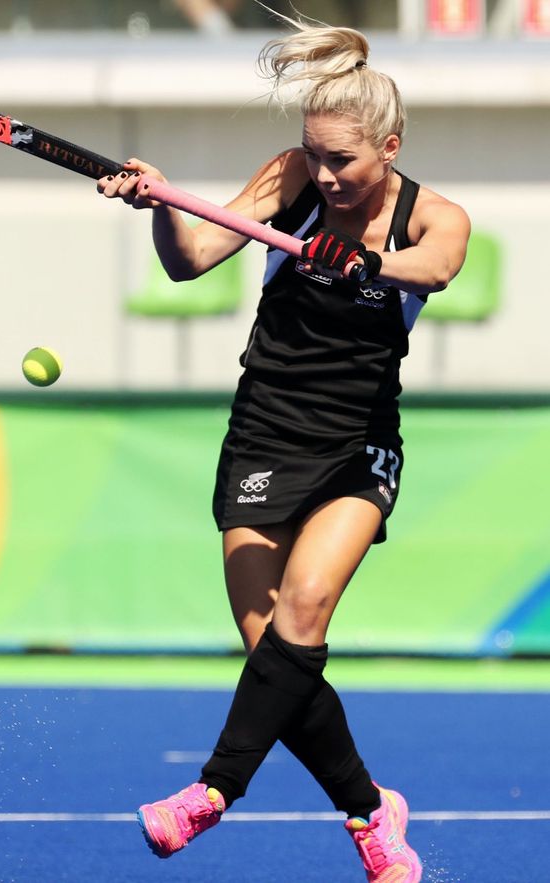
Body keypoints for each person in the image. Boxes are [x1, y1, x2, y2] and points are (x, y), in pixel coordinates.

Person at [98, 9, 469, 882]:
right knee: (272, 646)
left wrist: (361, 262)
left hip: (356, 444)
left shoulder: (429, 216)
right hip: (265, 428)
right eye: (318, 154)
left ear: (391, 144)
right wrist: (158, 204)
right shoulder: (292, 178)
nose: (329, 174)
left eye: (346, 159)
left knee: (304, 609)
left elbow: (442, 265)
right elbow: (189, 258)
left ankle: (212, 791)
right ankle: (373, 812)